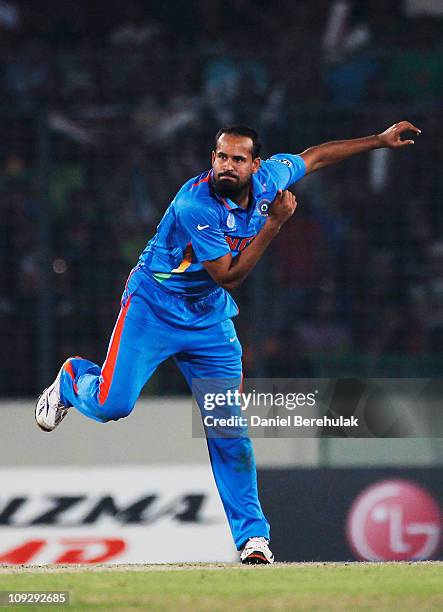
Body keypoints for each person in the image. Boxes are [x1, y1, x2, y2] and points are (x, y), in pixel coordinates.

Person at [35, 121, 420, 564]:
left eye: (237, 159)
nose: (226, 166)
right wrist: (274, 226)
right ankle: (70, 380)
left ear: (256, 165)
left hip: (208, 319)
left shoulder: (270, 178)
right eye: (221, 157)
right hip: (153, 307)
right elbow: (230, 275)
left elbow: (315, 155)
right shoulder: (195, 202)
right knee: (111, 405)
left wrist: (377, 140)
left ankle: (253, 539)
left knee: (227, 425)